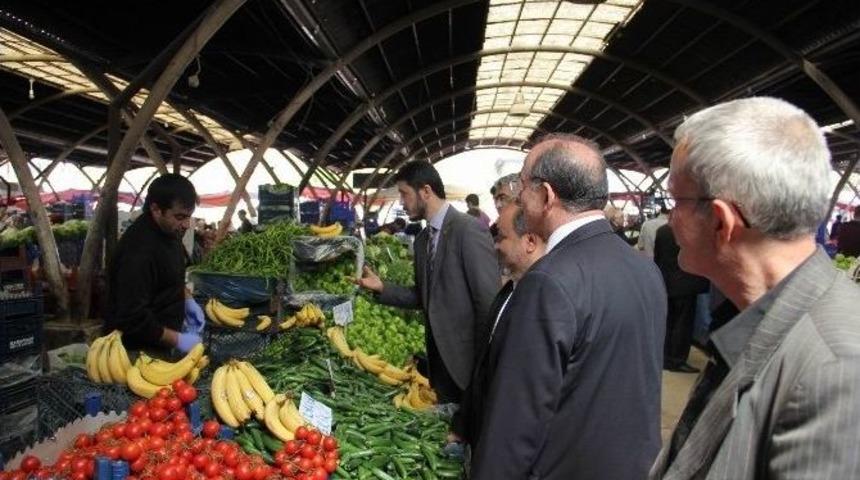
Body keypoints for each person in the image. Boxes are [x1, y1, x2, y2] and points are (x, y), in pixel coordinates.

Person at [650, 97, 860, 479]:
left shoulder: (835, 372)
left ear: (720, 221)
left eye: (674, 200)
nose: (669, 217)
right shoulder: (754, 318)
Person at [470, 134, 666, 480]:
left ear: (546, 195)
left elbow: (516, 422)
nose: (518, 195)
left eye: (524, 186)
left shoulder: (548, 280)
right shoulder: (644, 269)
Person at [355, 161, 500, 403]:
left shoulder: (468, 230)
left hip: (467, 365)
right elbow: (424, 297)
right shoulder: (423, 240)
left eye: (404, 193)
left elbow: (488, 302)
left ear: (425, 191)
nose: (401, 202)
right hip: (440, 365)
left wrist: (484, 368)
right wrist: (383, 288)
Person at [451, 203, 546, 451]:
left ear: (530, 241)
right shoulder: (508, 291)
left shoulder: (541, 303)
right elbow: (484, 366)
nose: (495, 245)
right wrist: (464, 425)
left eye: (502, 237)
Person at [104, 174, 204, 354]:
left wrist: (188, 300)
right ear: (156, 209)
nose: (187, 225)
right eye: (180, 217)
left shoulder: (169, 232)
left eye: (189, 217)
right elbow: (131, 317)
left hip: (162, 344)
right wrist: (178, 339)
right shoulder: (138, 251)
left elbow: (167, 277)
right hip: (137, 351)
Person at [653, 223, 709, 373]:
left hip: (666, 282)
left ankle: (666, 357)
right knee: (683, 324)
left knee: (669, 322)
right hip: (687, 283)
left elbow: (657, 257)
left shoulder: (662, 231)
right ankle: (677, 360)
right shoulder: (692, 230)